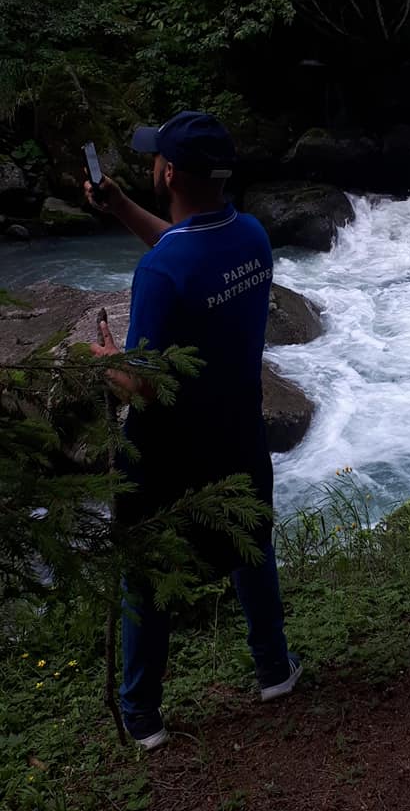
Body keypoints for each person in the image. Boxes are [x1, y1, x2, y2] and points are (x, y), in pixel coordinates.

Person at [88, 111, 301, 749]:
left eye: (156, 157)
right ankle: (273, 668)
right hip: (238, 430)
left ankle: (141, 714)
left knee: (147, 568)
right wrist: (120, 206)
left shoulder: (160, 274)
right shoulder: (251, 236)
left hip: (168, 450)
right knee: (251, 539)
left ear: (170, 173)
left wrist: (105, 363)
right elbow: (188, 249)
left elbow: (147, 386)